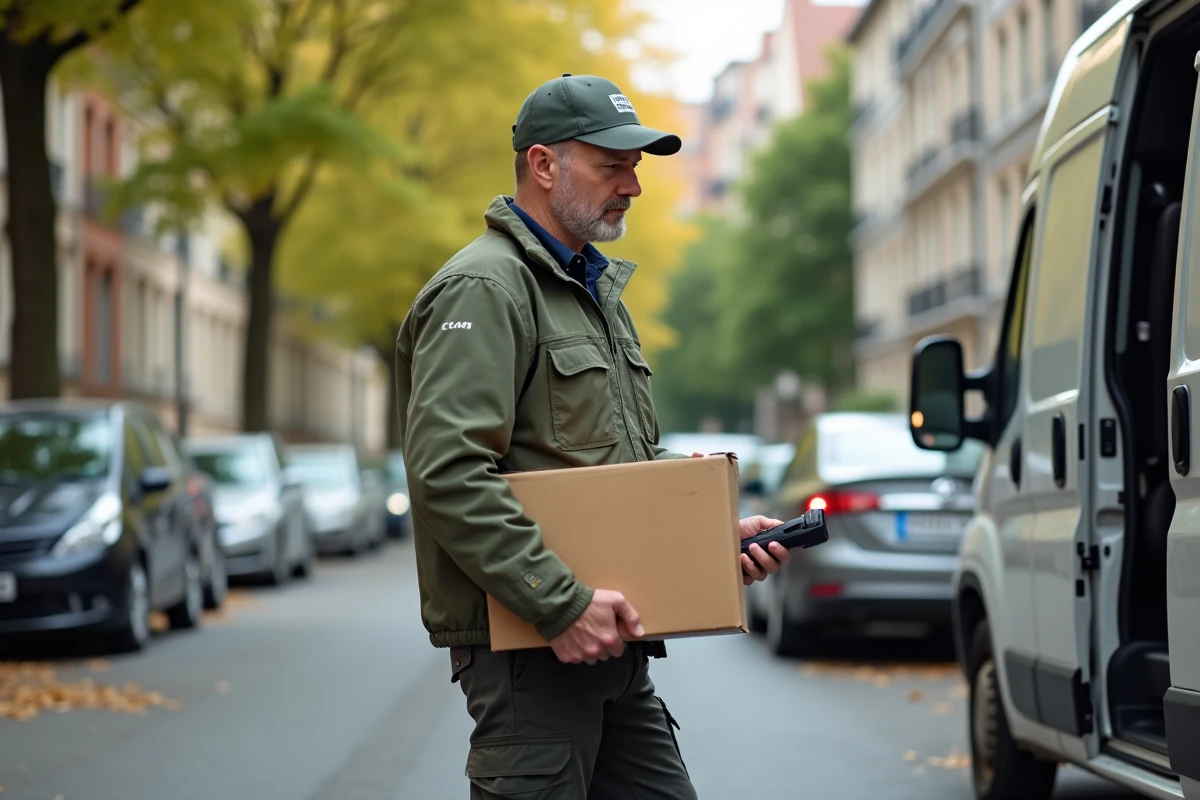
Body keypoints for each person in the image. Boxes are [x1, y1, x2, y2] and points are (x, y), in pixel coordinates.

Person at [395, 73, 793, 799]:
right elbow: (448, 473)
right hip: (535, 654)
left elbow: (612, 468)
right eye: (612, 165)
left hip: (611, 649)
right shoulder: (485, 289)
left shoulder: (590, 292)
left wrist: (707, 539)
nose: (632, 186)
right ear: (544, 165)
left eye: (635, 167)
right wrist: (559, 603)